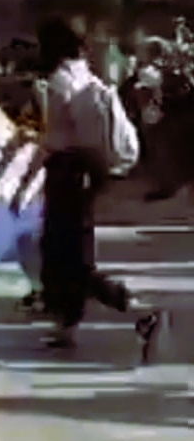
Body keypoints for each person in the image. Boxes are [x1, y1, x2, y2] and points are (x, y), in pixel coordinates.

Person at [9, 18, 160, 351]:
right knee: (69, 252)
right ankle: (66, 327)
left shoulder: (59, 82)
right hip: (87, 172)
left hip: (66, 173)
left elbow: (53, 140)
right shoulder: (86, 74)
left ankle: (139, 310)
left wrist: (24, 183)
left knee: (68, 259)